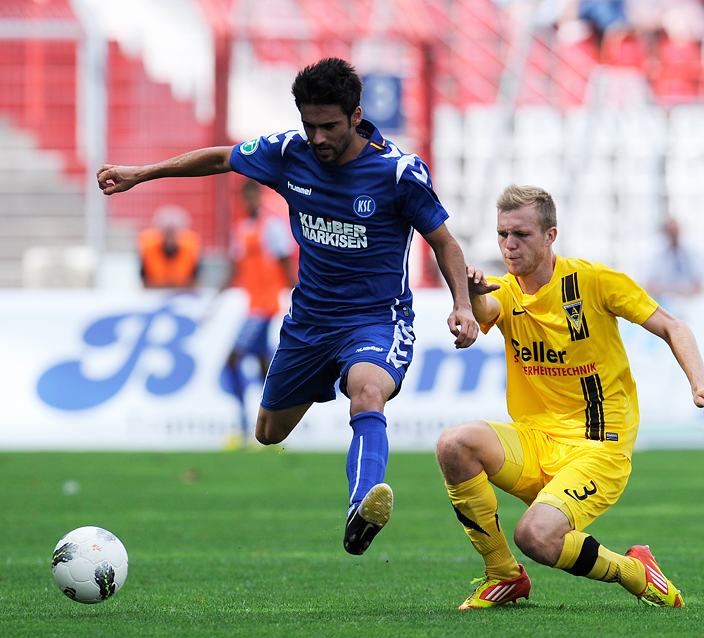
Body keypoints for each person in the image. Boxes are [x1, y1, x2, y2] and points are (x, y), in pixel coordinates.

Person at [98, 57, 478, 556]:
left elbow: (444, 242)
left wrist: (462, 304)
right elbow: (222, 159)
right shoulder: (287, 153)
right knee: (268, 432)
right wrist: (141, 174)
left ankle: (362, 506)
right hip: (308, 325)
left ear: (357, 116)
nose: (318, 138)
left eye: (330, 126)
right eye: (309, 125)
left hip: (375, 321)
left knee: (368, 392)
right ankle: (329, 382)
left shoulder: (398, 173)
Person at [436, 184, 704, 610]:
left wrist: (700, 384)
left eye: (522, 235)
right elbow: (487, 312)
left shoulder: (593, 281)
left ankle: (635, 571)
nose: (509, 245)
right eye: (502, 234)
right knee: (453, 445)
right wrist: (472, 297)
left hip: (598, 447)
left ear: (550, 236)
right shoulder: (505, 290)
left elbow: (673, 326)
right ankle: (503, 575)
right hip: (536, 440)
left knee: (535, 536)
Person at [222, 179, 296, 448]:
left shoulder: (272, 225)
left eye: (252, 195)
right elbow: (235, 267)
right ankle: (273, 428)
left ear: (258, 196)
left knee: (232, 361)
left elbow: (285, 261)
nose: (249, 201)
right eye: (245, 197)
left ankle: (245, 427)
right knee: (265, 369)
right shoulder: (242, 227)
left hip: (264, 308)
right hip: (252, 306)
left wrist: (296, 295)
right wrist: (216, 296)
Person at [138, 205, 202, 289]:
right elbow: (145, 281)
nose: (170, 237)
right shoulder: (149, 249)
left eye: (173, 232)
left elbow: (195, 281)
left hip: (182, 294)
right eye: (166, 232)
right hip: (155, 294)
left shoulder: (190, 250)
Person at [643, 216, 704, 300]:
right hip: (663, 300)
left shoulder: (691, 251)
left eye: (675, 231)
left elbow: (700, 284)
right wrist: (667, 294)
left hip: (689, 300)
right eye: (670, 231)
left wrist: (685, 295)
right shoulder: (656, 252)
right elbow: (648, 285)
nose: (673, 235)